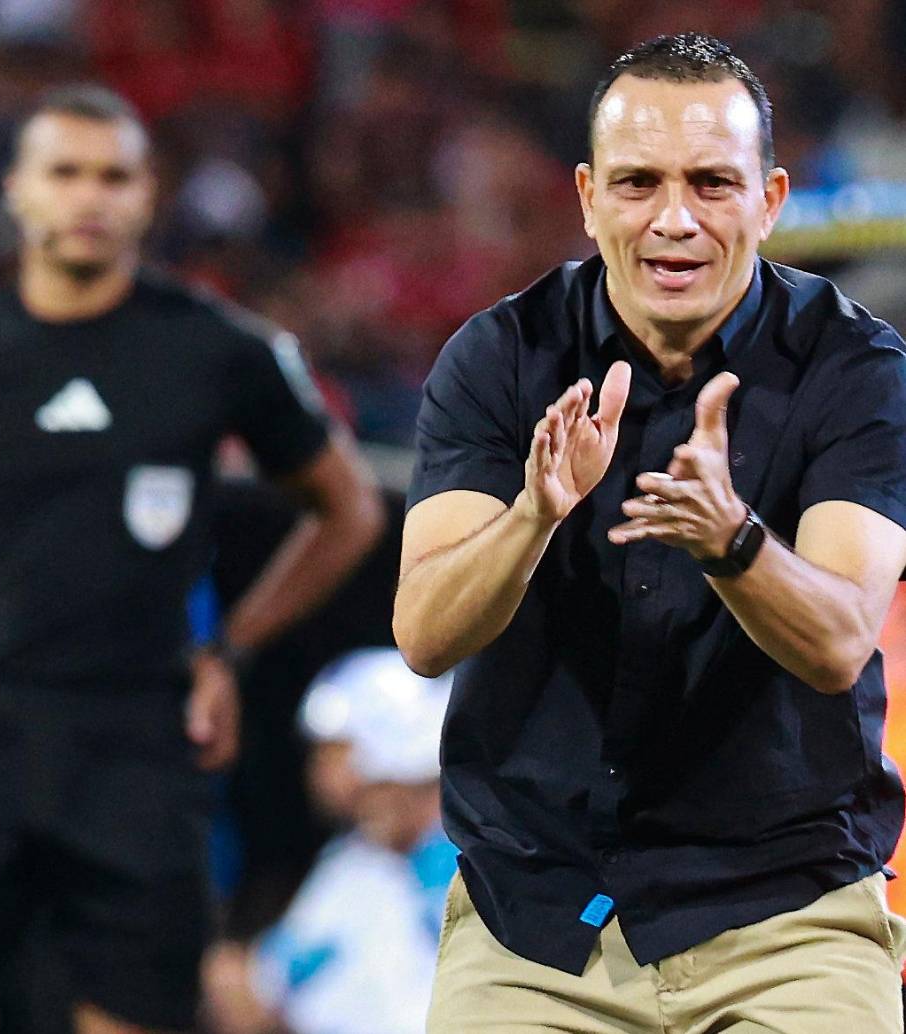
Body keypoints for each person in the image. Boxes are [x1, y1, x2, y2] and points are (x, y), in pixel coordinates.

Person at [393, 32, 906, 1034]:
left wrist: (732, 540)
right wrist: (533, 515)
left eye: (711, 182)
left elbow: (841, 635)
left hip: (784, 917)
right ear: (587, 196)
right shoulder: (499, 357)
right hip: (537, 927)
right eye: (638, 183)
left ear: (769, 198)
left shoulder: (854, 369)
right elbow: (423, 631)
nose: (673, 218)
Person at [0, 84, 384, 1034]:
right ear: (19, 192)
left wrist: (230, 647)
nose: (89, 197)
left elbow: (347, 508)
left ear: (148, 196)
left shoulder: (216, 350)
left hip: (140, 743)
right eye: (64, 173)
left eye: (115, 176)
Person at [204, 647, 456, 1034]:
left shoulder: (472, 864)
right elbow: (274, 979)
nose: (321, 777)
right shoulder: (356, 862)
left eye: (335, 753)